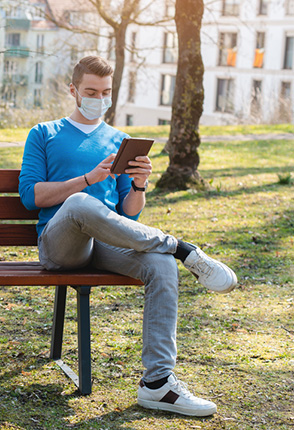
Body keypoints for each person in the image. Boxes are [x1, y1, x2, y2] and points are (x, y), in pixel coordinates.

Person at [18, 56, 237, 417]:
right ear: (73, 90)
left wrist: (139, 184)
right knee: (79, 203)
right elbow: (31, 196)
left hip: (105, 243)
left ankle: (158, 383)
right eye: (90, 91)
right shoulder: (45, 133)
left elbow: (129, 214)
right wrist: (88, 178)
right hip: (61, 245)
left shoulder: (119, 140)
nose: (98, 98)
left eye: (105, 92)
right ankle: (184, 249)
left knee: (160, 264)